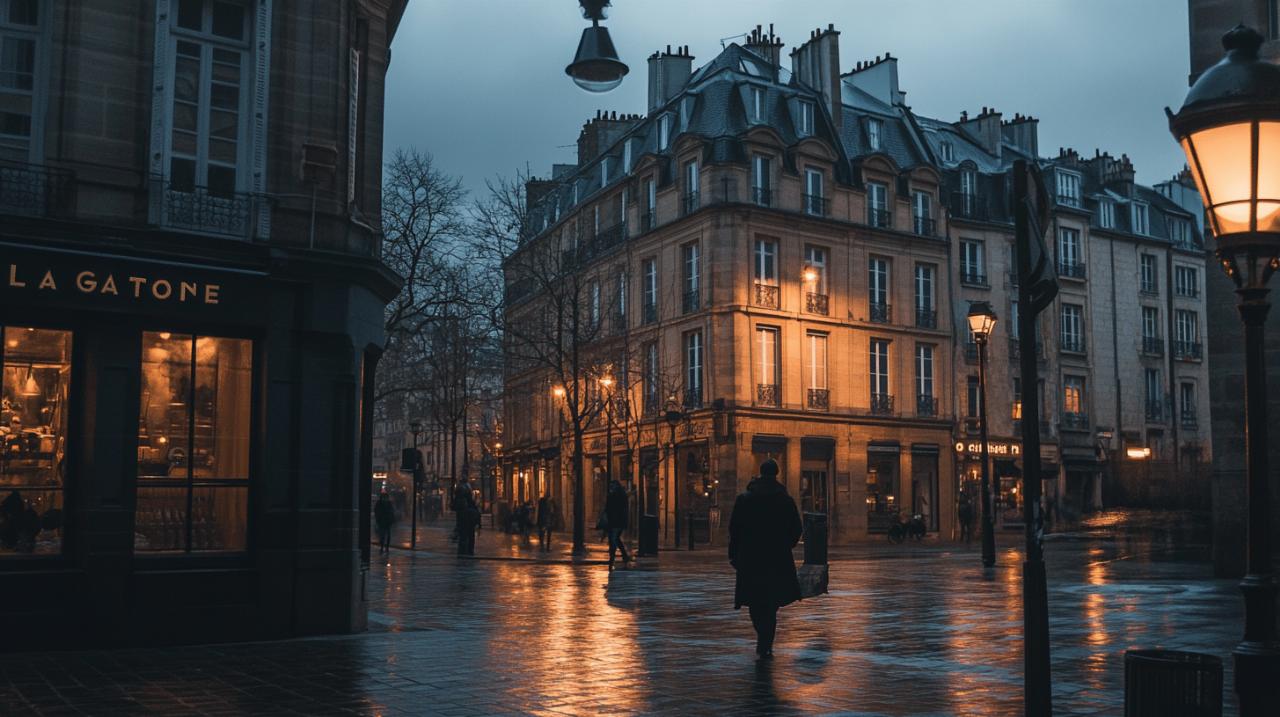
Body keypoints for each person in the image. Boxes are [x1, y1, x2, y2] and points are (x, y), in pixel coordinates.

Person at [728, 458, 802, 659]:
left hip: (751, 556)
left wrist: (734, 554)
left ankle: (763, 636)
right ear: (776, 473)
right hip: (777, 557)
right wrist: (786, 544)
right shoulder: (785, 500)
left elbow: (734, 529)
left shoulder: (745, 499)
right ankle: (766, 640)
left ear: (760, 473)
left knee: (755, 601)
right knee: (771, 602)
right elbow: (796, 528)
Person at [605, 478, 631, 567]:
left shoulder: (615, 495)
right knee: (616, 538)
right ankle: (624, 555)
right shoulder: (621, 495)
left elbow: (610, 509)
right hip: (619, 521)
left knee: (613, 539)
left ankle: (612, 558)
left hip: (615, 521)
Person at [453, 479, 480, 556]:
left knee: (464, 535)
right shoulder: (468, 501)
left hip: (465, 519)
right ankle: (468, 551)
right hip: (468, 519)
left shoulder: (460, 498)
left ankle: (464, 551)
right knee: (469, 535)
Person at [374, 492, 395, 557]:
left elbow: (392, 511)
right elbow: (377, 512)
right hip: (382, 521)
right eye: (384, 498)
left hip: (387, 522)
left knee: (388, 535)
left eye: (386, 498)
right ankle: (382, 547)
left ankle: (386, 548)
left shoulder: (389, 503)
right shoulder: (379, 503)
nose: (385, 499)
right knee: (383, 535)